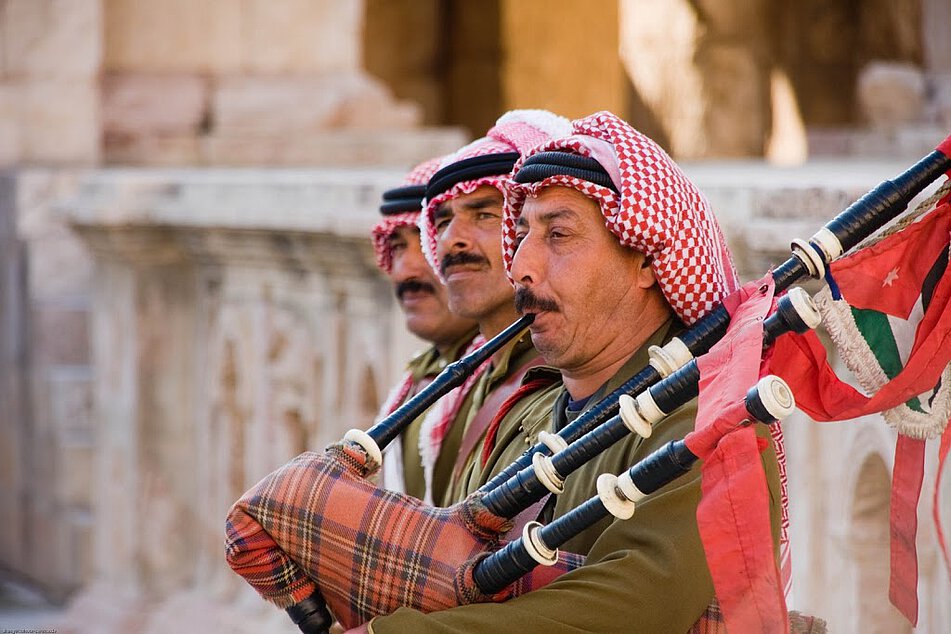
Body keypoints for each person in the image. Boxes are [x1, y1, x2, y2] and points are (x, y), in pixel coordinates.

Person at [364, 111, 783, 632]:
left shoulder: (708, 424)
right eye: (522, 234)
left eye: (558, 235)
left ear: (646, 260)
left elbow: (631, 606)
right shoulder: (522, 418)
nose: (520, 266)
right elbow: (455, 570)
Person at [415, 109, 573, 505]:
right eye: (444, 220)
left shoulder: (565, 377)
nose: (452, 241)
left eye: (484, 214)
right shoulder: (472, 374)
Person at [369, 156, 479, 504]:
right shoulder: (424, 373)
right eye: (398, 246)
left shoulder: (516, 376)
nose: (405, 271)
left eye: (426, 240)